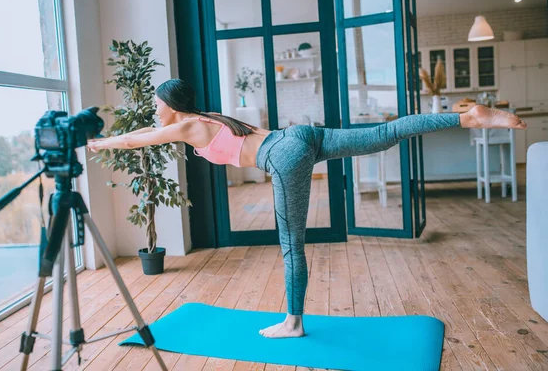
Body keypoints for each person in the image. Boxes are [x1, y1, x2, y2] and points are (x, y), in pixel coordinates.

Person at [87, 79, 526, 339]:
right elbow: (149, 129)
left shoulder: (184, 125)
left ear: (171, 103)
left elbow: (136, 138)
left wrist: (100, 142)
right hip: (298, 137)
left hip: (284, 156)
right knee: (383, 134)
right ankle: (468, 117)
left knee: (290, 244)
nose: (155, 110)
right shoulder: (211, 117)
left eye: (157, 103)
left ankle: (293, 321)